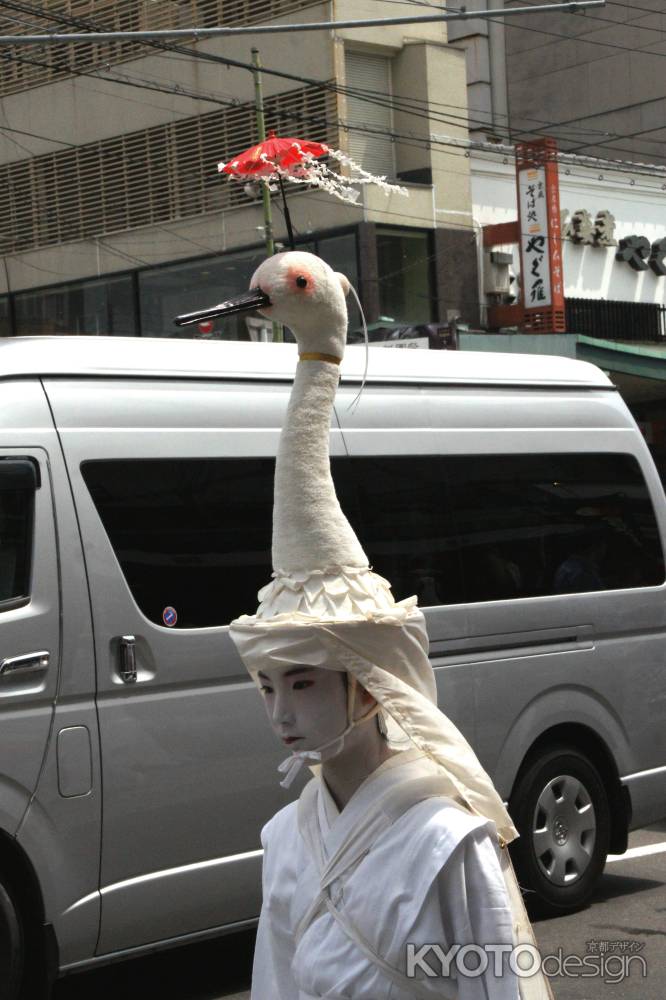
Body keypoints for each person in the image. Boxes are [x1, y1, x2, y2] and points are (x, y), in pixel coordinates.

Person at [220, 250, 554, 999]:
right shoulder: (286, 838)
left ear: (369, 684)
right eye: (268, 687)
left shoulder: (448, 840)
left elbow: (498, 985)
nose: (280, 713)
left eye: (302, 682)